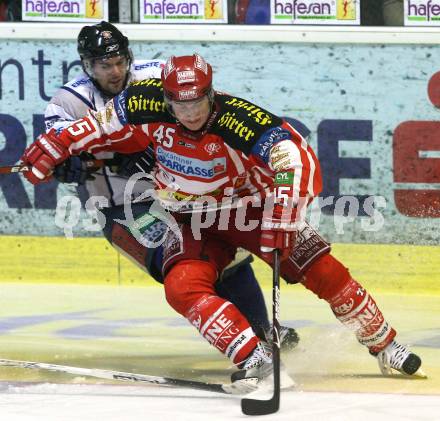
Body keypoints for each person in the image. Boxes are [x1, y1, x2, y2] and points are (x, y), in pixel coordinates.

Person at [20, 53, 425, 392]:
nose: (191, 112)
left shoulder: (237, 118)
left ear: (211, 93)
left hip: (253, 208)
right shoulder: (144, 102)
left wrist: (285, 211)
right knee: (180, 286)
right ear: (166, 98)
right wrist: (53, 144)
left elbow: (293, 154)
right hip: (189, 216)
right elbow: (95, 124)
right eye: (181, 104)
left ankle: (384, 344)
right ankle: (255, 356)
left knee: (323, 270)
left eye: (199, 102)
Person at [45, 22, 298, 353]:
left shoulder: (155, 76)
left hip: (180, 198)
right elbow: (54, 153)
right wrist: (68, 165)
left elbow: (201, 116)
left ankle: (263, 332)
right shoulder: (68, 101)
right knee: (179, 266)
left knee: (230, 260)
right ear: (87, 65)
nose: (116, 71)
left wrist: (144, 153)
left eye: (121, 61)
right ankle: (245, 342)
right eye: (106, 65)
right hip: (123, 208)